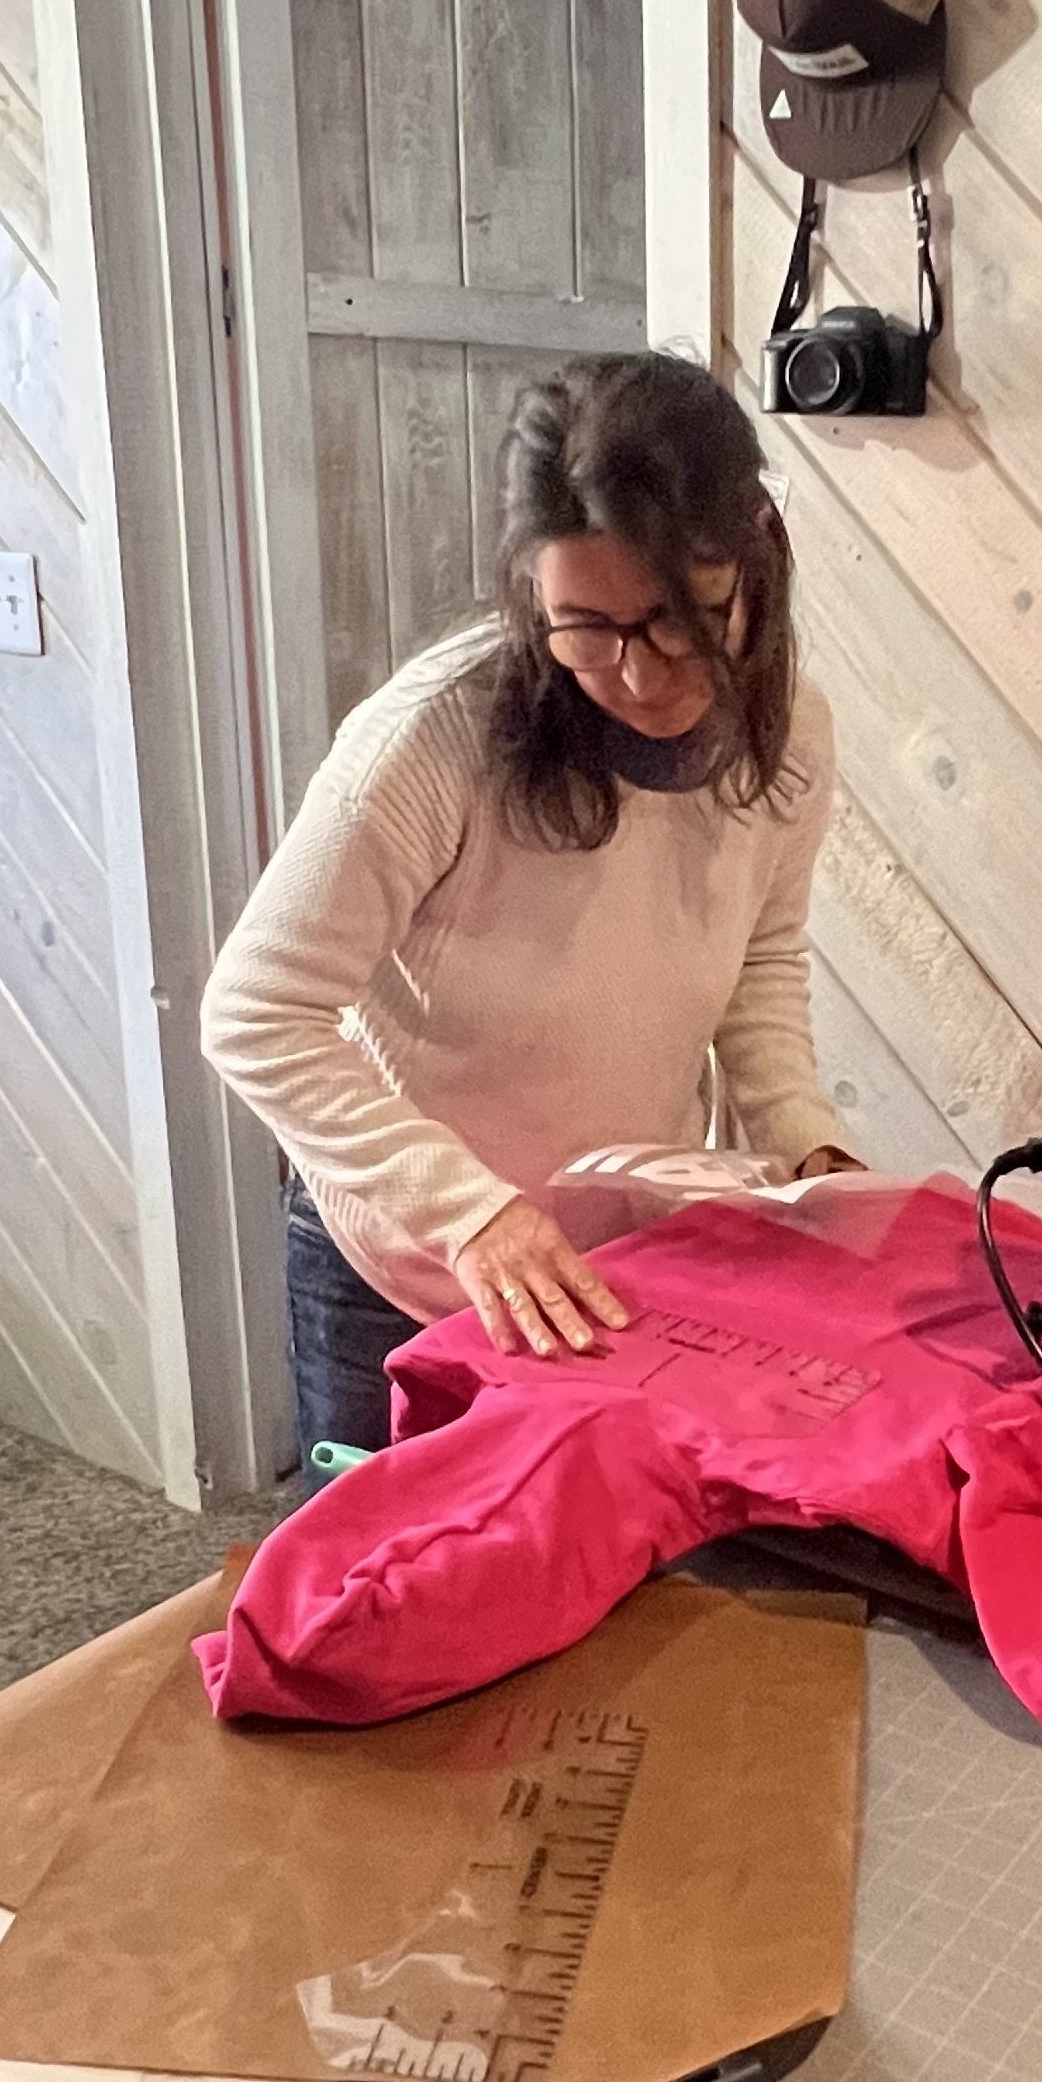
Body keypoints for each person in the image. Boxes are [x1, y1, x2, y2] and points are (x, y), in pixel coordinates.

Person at [200, 350, 860, 1472]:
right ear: (531, 596)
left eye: (679, 621)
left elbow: (757, 958)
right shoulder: (430, 739)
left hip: (617, 1261)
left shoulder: (789, 729)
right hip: (404, 1271)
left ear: (755, 561)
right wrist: (471, 1212)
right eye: (584, 626)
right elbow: (256, 1014)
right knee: (380, 1615)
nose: (638, 675)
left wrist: (805, 1138)